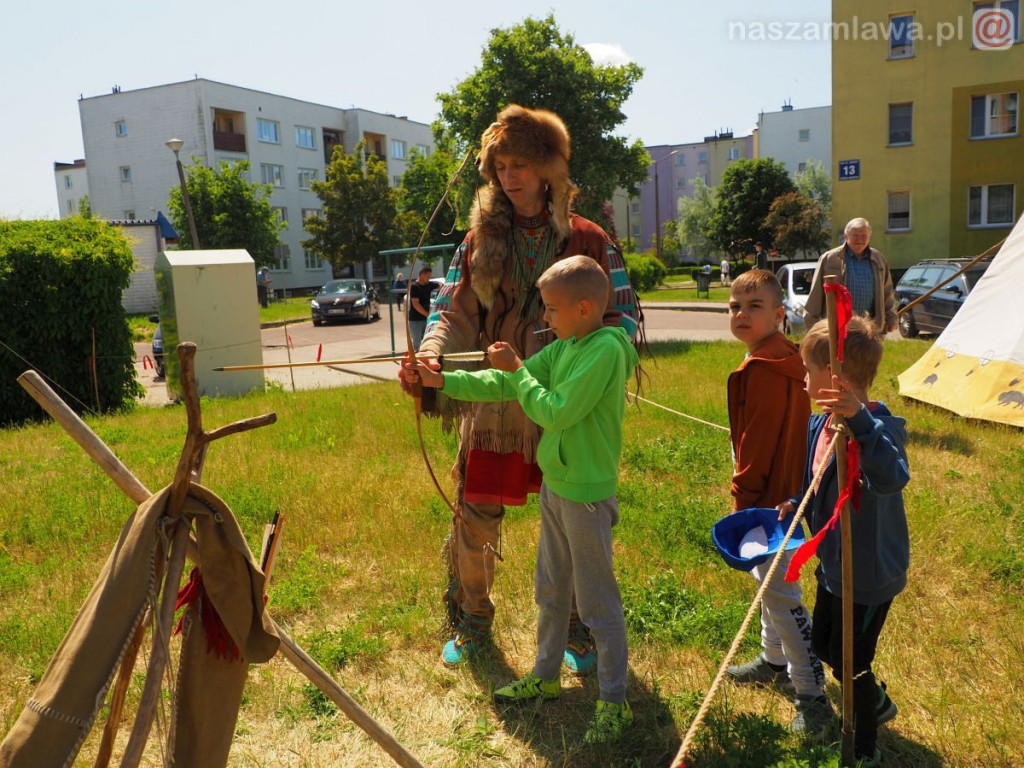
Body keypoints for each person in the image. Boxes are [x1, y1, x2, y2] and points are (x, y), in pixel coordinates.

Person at [401, 104, 640, 668]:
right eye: (501, 165)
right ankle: (474, 619)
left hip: (568, 407)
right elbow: (450, 309)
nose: (510, 176)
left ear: (549, 170)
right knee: (477, 510)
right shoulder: (478, 239)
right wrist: (433, 354)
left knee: (575, 522)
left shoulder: (589, 238)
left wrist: (586, 372)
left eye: (522, 165)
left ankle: (580, 629)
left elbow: (622, 318)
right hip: (498, 404)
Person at [406, 256, 640, 743]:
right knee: (550, 591)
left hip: (586, 498)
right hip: (558, 488)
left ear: (583, 308)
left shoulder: (603, 351)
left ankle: (615, 703)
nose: (545, 318)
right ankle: (546, 676)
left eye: (552, 309)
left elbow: (554, 412)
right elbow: (508, 383)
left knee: (597, 604)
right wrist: (442, 380)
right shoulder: (569, 344)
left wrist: (516, 367)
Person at [779, 315, 910, 767]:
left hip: (868, 572)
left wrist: (860, 423)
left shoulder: (880, 427)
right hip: (833, 564)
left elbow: (893, 477)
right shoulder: (821, 426)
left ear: (833, 376)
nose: (803, 379)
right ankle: (873, 700)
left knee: (851, 662)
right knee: (825, 646)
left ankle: (866, 742)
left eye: (808, 371)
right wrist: (796, 500)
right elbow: (814, 480)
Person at [723, 269, 830, 733]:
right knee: (768, 584)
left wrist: (742, 501)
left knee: (782, 596)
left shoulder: (764, 370)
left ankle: (812, 694)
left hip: (770, 501)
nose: (742, 315)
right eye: (734, 307)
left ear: (780, 315)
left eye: (754, 307)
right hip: (789, 491)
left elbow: (757, 443)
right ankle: (772, 661)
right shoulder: (788, 357)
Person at [803, 218, 897, 334]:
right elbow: (816, 294)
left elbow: (887, 292)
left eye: (864, 236)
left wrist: (891, 317)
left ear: (869, 237)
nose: (860, 240)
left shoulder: (879, 259)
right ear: (846, 236)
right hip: (837, 327)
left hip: (870, 328)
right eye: (855, 235)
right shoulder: (829, 259)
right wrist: (811, 327)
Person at [407, 267, 433, 349]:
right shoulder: (415, 287)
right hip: (416, 320)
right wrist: (428, 315)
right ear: (422, 275)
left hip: (425, 319)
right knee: (417, 343)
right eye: (428, 276)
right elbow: (416, 304)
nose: (429, 279)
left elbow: (439, 285)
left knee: (427, 340)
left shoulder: (428, 285)